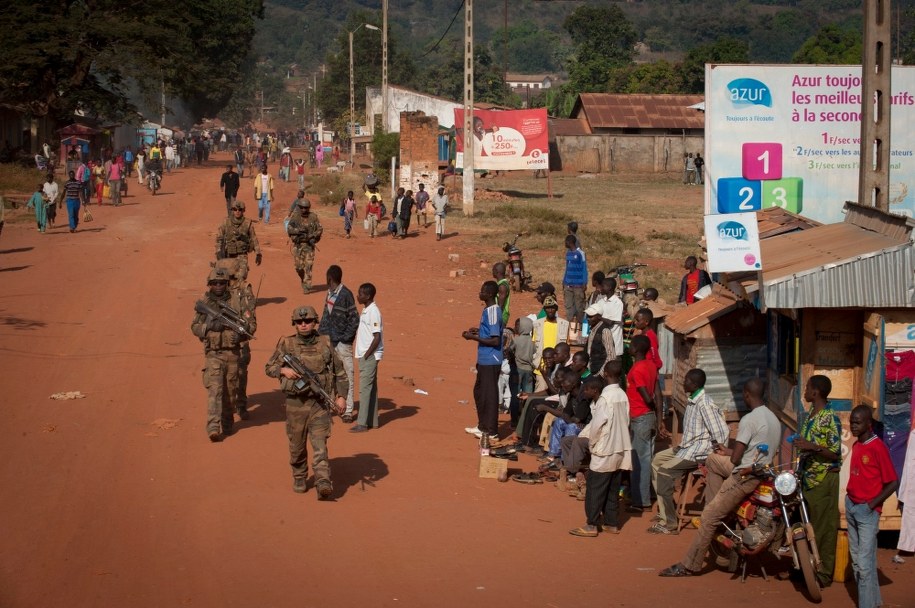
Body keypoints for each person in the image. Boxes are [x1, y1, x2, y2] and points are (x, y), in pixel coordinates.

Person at [660, 378, 781, 577]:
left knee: (708, 517)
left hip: (745, 476)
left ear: (746, 395)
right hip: (763, 470)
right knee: (712, 459)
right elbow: (745, 452)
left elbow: (736, 458)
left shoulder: (749, 420)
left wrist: (730, 452)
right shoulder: (772, 417)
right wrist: (727, 451)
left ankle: (690, 565)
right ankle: (716, 505)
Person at [264, 305, 347, 498]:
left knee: (320, 445)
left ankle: (323, 481)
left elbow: (340, 373)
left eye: (308, 321)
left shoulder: (325, 343)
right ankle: (299, 475)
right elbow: (269, 367)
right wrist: (283, 371)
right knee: (297, 446)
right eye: (299, 322)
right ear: (294, 324)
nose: (303, 325)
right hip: (295, 406)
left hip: (319, 404)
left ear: (315, 322)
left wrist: (341, 396)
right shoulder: (287, 344)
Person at [648, 369, 729, 535]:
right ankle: (665, 509)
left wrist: (715, 452)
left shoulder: (704, 404)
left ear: (694, 383)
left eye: (686, 381)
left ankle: (669, 523)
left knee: (664, 471)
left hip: (698, 452)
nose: (683, 383)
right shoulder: (693, 400)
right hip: (687, 448)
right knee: (657, 460)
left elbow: (721, 432)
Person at [190, 268, 257, 442]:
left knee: (230, 393)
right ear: (209, 285)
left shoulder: (237, 301)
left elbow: (250, 325)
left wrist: (240, 335)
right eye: (214, 283)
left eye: (221, 283)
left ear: (227, 284)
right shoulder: (205, 302)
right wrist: (209, 327)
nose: (218, 286)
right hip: (214, 354)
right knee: (215, 390)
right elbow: (194, 327)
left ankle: (227, 422)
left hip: (233, 354)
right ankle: (213, 426)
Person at [846, 405, 898, 608]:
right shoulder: (857, 444)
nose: (853, 426)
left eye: (857, 422)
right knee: (859, 562)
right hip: (851, 505)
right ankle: (874, 601)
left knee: (864, 566)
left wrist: (872, 504)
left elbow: (893, 482)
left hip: (867, 512)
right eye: (851, 421)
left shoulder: (878, 447)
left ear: (869, 424)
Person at [569, 367, 631, 537]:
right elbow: (626, 420)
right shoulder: (622, 395)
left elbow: (596, 427)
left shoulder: (605, 398)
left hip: (604, 449)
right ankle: (611, 523)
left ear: (606, 375)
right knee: (612, 488)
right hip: (619, 447)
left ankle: (592, 524)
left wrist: (593, 444)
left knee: (595, 488)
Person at [793, 374, 842, 586]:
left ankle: (823, 575)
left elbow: (835, 452)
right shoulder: (812, 414)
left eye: (807, 388)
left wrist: (812, 447)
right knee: (809, 525)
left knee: (824, 528)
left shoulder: (830, 418)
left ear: (816, 392)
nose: (804, 391)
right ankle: (807, 566)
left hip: (823, 479)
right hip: (808, 478)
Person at [626, 334, 665, 513]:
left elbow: (647, 396)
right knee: (647, 458)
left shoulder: (637, 369)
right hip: (649, 417)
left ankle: (640, 501)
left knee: (639, 461)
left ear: (636, 349)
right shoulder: (651, 366)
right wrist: (658, 417)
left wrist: (649, 407)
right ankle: (647, 494)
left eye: (631, 345)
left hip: (640, 417)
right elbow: (658, 394)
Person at [318, 265, 360, 423]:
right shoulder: (329, 293)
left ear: (329, 278)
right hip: (329, 341)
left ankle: (348, 410)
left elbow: (355, 319)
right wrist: (321, 335)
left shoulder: (345, 294)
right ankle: (334, 406)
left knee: (347, 374)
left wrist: (345, 338)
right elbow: (325, 316)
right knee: (330, 374)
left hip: (342, 343)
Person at [463, 281, 503, 441]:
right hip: (484, 359)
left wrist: (473, 337)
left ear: (489, 293)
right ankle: (482, 426)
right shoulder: (488, 310)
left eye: (483, 291)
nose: (480, 293)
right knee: (479, 392)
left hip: (491, 359)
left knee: (489, 395)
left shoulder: (493, 311)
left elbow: (495, 340)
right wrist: (478, 331)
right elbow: (490, 332)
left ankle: (491, 431)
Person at [352, 283, 384, 432]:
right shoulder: (367, 310)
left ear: (368, 296)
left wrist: (367, 355)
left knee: (364, 389)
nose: (358, 296)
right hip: (366, 355)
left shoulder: (373, 312)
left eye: (361, 294)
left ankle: (362, 423)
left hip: (369, 356)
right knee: (371, 389)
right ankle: (373, 421)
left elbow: (377, 337)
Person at [286, 197, 323, 294]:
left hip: (309, 246)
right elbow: (289, 228)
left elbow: (320, 229)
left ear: (309, 208)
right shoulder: (295, 217)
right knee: (299, 267)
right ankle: (303, 278)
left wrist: (313, 235)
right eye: (302, 208)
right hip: (298, 246)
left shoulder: (313, 217)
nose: (304, 210)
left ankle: (307, 285)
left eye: (306, 208)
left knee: (308, 266)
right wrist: (298, 231)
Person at [216, 201, 262, 276]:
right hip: (228, 255)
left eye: (240, 210)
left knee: (241, 276)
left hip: (242, 255)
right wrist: (218, 251)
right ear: (232, 210)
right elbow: (219, 238)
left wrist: (258, 254)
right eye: (235, 209)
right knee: (225, 276)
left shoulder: (247, 223)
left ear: (243, 211)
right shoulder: (226, 222)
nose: (237, 211)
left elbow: (254, 238)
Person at [532, 295, 570, 372]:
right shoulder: (537, 324)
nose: (550, 310)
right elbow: (533, 345)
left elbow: (567, 345)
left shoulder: (564, 324)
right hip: (542, 366)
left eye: (552, 308)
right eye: (547, 308)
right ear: (544, 310)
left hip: (558, 366)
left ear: (556, 309)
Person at [563, 234, 588, 330]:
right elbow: (567, 267)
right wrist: (564, 281)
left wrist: (584, 283)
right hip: (568, 284)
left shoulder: (581, 253)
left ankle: (581, 328)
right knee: (569, 307)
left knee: (579, 307)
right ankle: (570, 328)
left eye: (566, 242)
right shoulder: (568, 254)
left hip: (578, 285)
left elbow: (584, 269)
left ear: (570, 242)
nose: (565, 244)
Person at [584, 305, 615, 375]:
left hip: (599, 372)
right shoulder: (592, 329)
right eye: (587, 316)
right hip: (590, 371)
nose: (588, 319)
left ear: (599, 317)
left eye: (591, 316)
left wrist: (601, 373)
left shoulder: (605, 331)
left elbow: (611, 356)